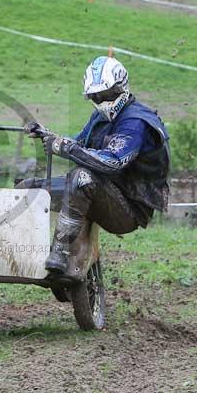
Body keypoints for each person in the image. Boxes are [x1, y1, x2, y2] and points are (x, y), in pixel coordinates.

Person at [20, 56, 170, 281]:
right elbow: (80, 145)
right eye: (96, 96)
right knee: (28, 189)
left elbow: (112, 162)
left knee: (81, 178)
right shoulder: (100, 116)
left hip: (129, 206)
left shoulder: (136, 122)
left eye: (106, 95)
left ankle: (59, 252)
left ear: (121, 88)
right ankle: (18, 252)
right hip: (104, 189)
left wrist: (65, 148)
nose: (102, 101)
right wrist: (49, 136)